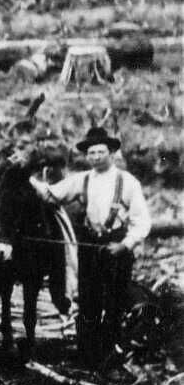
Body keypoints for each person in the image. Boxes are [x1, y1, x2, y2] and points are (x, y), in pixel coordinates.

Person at [30, 126, 151, 366]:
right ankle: (86, 355)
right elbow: (52, 194)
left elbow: (142, 221)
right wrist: (29, 180)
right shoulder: (82, 179)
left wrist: (125, 245)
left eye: (100, 152)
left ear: (111, 153)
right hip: (89, 247)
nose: (96, 157)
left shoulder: (127, 182)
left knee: (115, 303)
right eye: (91, 153)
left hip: (116, 248)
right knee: (88, 301)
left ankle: (110, 359)